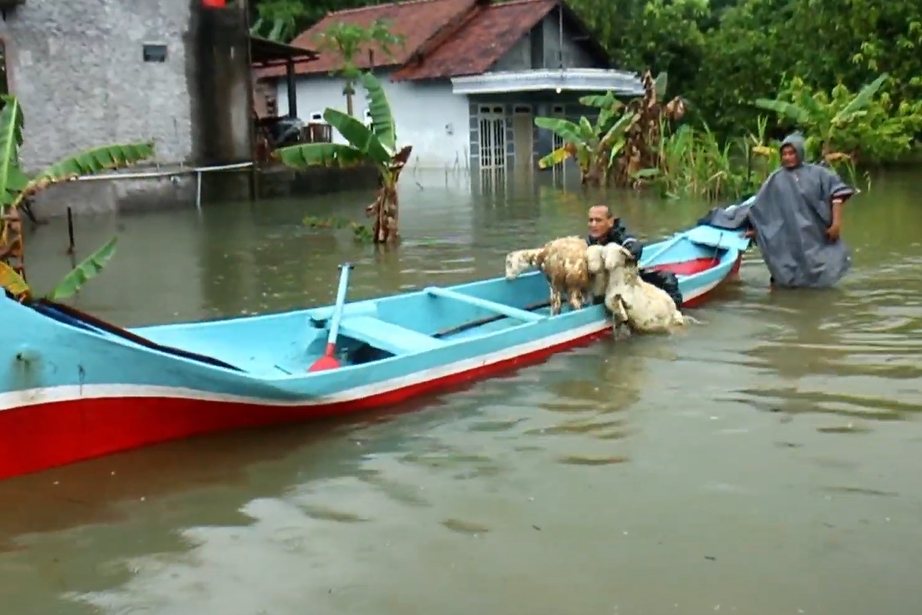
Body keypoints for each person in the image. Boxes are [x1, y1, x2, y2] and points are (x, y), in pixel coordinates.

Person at [744, 133, 855, 288]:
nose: (788, 157)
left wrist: (836, 223)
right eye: (784, 154)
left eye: (792, 153)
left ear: (800, 152)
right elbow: (761, 207)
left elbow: (837, 194)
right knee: (784, 273)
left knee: (818, 269)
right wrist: (756, 230)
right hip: (787, 235)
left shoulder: (819, 173)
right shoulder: (775, 179)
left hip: (814, 233)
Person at [585, 204, 683, 309]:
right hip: (601, 284)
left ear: (610, 222)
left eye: (598, 220)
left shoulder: (620, 235)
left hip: (628, 278)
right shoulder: (588, 242)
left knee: (667, 278)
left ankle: (675, 311)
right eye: (591, 220)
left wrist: (626, 253)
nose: (593, 224)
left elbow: (634, 246)